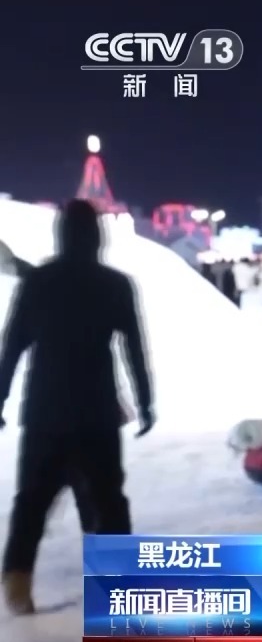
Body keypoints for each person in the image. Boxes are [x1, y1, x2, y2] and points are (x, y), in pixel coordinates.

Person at [0, 200, 154, 613]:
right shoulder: (115, 285)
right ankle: (118, 586)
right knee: (108, 502)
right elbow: (134, 349)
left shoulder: (38, 283)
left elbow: (12, 346)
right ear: (97, 237)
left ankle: (17, 586)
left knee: (31, 501)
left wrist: (0, 397)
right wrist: (145, 401)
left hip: (44, 412)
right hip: (96, 412)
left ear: (61, 235)